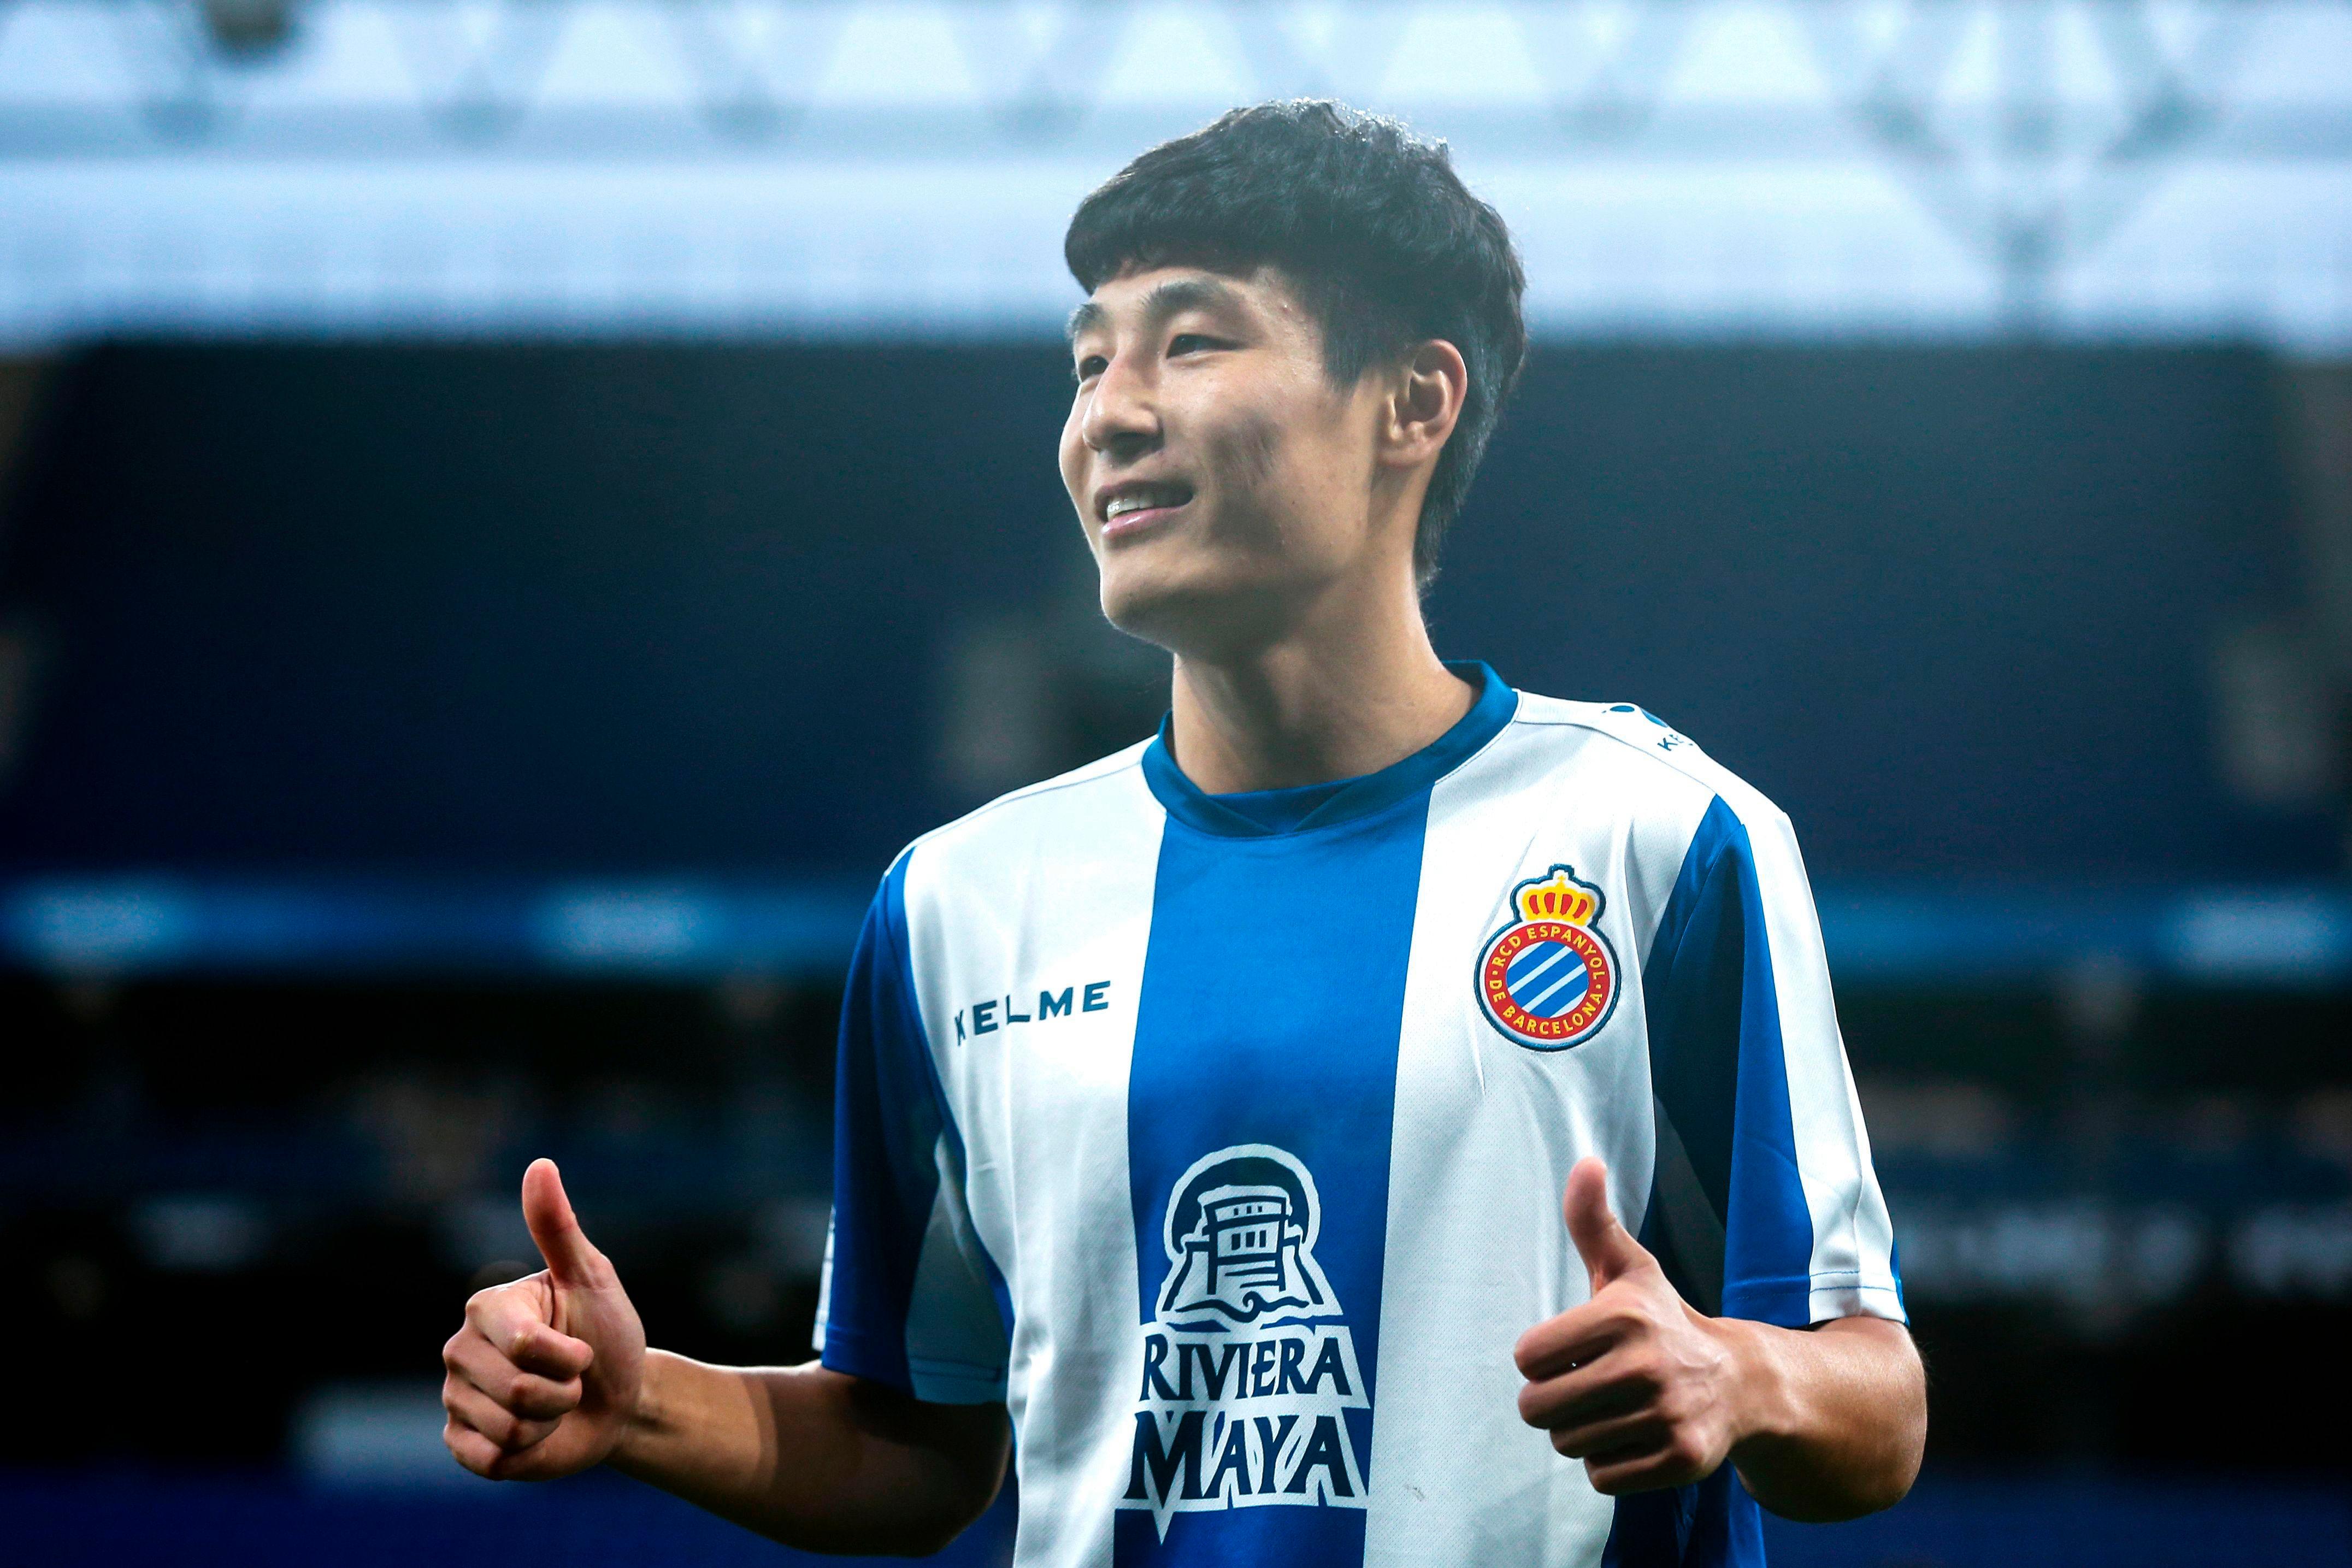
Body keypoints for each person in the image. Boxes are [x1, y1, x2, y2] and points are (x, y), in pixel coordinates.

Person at [439, 99, 1926, 1566]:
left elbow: (1878, 1403)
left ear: (1413, 403)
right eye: (1089, 361)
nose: (1110, 414)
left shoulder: (1656, 837)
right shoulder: (959, 904)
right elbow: (917, 1439)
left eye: (1193, 342)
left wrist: (1742, 1375)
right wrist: (641, 1406)